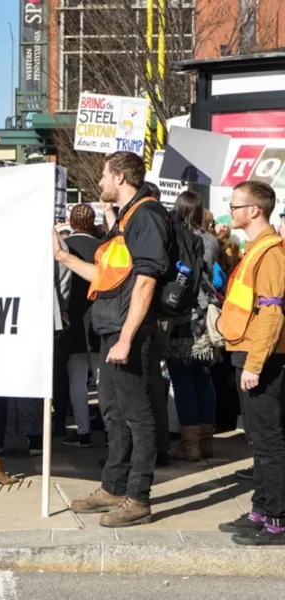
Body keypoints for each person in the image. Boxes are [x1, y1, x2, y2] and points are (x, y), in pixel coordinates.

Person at [54, 151, 171, 528]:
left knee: (138, 416)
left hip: (130, 335)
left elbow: (147, 281)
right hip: (113, 332)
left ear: (120, 177)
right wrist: (64, 257)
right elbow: (106, 278)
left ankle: (138, 497)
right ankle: (113, 487)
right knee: (113, 412)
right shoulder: (126, 217)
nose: (100, 183)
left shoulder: (147, 216)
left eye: (104, 175)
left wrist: (126, 337)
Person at [216, 181, 285, 546]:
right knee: (259, 440)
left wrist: (255, 364)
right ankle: (261, 509)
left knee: (270, 441)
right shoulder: (255, 249)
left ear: (254, 210)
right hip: (249, 352)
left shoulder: (271, 252)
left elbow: (272, 314)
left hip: (264, 358)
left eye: (235, 205)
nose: (231, 211)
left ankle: (277, 519)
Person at [166, 191, 219, 462]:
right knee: (203, 377)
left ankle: (190, 445)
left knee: (183, 379)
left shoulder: (177, 239)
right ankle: (206, 441)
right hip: (206, 313)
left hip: (183, 315)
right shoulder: (210, 239)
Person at [61, 204, 102, 448]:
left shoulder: (65, 248)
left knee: (77, 379)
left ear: (70, 221)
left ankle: (82, 431)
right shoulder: (102, 248)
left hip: (72, 320)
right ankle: (110, 430)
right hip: (98, 318)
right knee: (101, 378)